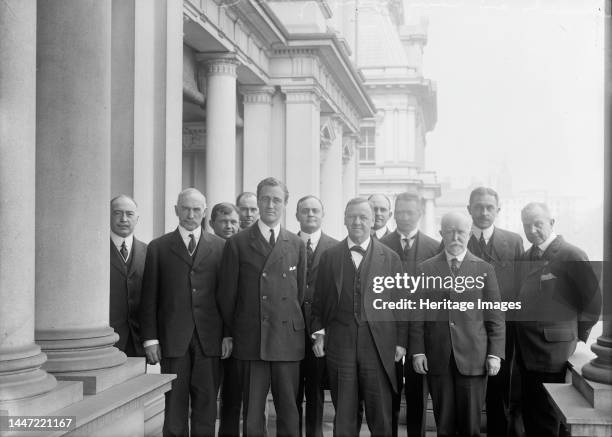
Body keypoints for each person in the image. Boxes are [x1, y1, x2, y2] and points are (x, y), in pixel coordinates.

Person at [311, 197, 407, 437]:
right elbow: (319, 302)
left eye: (363, 217)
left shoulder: (391, 257)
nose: (357, 222)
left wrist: (401, 342)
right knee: (344, 414)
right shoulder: (329, 256)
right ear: (344, 219)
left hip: (378, 345)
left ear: (373, 220)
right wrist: (319, 334)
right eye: (352, 216)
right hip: (340, 343)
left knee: (380, 413)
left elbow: (401, 304)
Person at [218, 177, 307, 437]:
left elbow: (298, 293)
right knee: (253, 414)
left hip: (287, 340)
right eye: (265, 199)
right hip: (252, 339)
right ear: (257, 201)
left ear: (285, 204)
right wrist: (232, 332)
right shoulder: (238, 243)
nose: (270, 204)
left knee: (289, 411)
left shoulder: (296, 244)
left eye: (276, 200)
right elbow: (227, 296)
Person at [140, 188, 230, 437]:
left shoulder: (221, 247)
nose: (191, 214)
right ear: (176, 210)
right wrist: (150, 339)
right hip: (173, 340)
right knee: (175, 406)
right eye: (186, 208)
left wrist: (227, 334)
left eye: (196, 209)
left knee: (207, 404)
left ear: (204, 212)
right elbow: (149, 296)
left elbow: (228, 296)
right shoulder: (158, 247)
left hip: (210, 339)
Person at [411, 212, 505, 437]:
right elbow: (416, 315)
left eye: (461, 232)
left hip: (474, 357)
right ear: (441, 233)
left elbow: (495, 316)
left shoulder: (484, 269)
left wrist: (495, 354)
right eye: (450, 231)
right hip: (437, 356)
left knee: (471, 424)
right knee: (443, 423)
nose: (455, 236)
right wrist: (417, 352)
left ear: (469, 233)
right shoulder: (425, 269)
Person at [515, 202, 601, 437]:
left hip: (554, 352)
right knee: (532, 413)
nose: (532, 230)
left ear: (552, 223)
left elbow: (593, 303)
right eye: (526, 225)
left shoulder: (571, 254)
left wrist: (574, 336)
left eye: (538, 224)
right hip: (527, 352)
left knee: (547, 418)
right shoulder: (525, 256)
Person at [466, 187, 524, 437]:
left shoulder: (513, 242)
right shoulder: (457, 239)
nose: (484, 212)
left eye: (490, 207)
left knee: (499, 387)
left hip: (504, 328)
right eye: (478, 206)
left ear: (498, 211)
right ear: (469, 210)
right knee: (468, 386)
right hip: (468, 329)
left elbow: (522, 287)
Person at [380, 192, 439, 437]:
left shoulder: (435, 247)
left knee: (416, 394)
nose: (404, 217)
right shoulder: (381, 246)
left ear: (420, 214)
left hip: (421, 333)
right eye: (400, 212)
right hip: (388, 331)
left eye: (410, 212)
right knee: (388, 392)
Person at [294, 195, 338, 437]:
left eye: (315, 211)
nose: (310, 214)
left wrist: (325, 331)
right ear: (297, 215)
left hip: (320, 333)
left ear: (322, 215)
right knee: (290, 393)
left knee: (316, 393)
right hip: (290, 331)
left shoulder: (336, 247)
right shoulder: (287, 243)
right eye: (305, 211)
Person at [206, 202, 242, 437]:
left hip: (238, 334)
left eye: (233, 222)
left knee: (234, 393)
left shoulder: (242, 247)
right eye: (223, 221)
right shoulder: (207, 248)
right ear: (212, 224)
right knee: (208, 394)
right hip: (209, 334)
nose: (229, 226)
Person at [109, 194, 146, 357]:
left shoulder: (149, 252)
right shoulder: (95, 251)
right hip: (106, 340)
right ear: (108, 216)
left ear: (137, 218)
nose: (124, 219)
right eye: (117, 213)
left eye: (129, 214)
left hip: (138, 340)